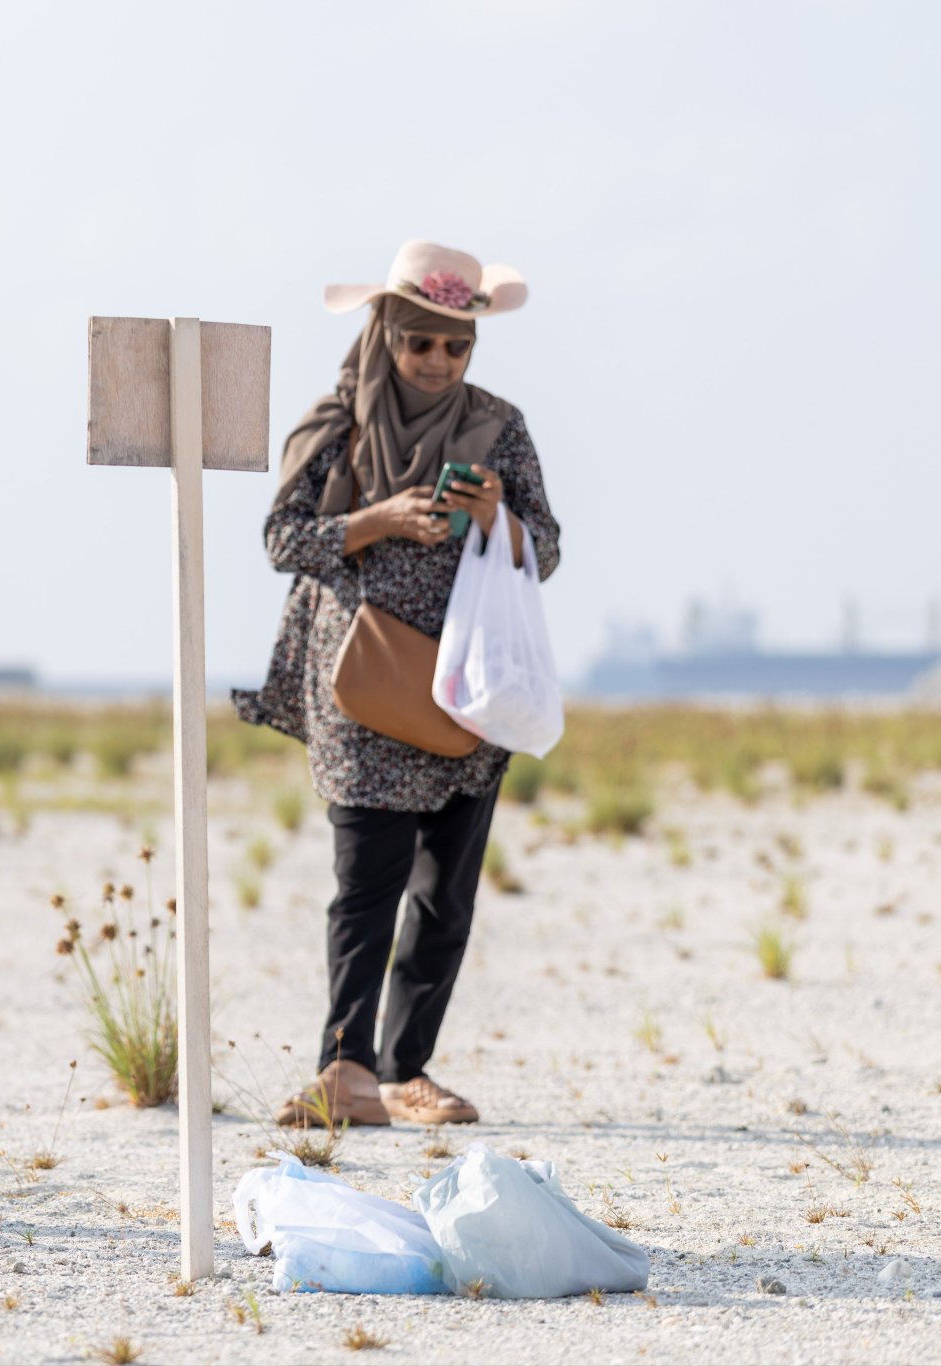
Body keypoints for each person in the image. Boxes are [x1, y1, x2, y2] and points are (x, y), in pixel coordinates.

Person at [234, 241, 561, 1129]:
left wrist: (498, 518)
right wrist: (375, 520)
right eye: (420, 342)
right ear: (386, 336)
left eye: (457, 346)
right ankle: (344, 1071)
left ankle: (407, 1072)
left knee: (445, 894)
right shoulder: (336, 421)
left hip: (467, 688)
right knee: (364, 887)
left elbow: (548, 548)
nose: (438, 361)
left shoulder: (499, 426)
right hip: (362, 685)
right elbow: (281, 539)